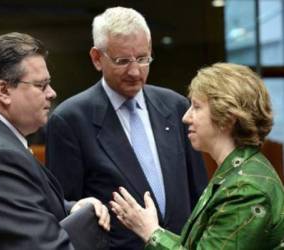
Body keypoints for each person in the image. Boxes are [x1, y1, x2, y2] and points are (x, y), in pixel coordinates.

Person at [46, 6, 207, 250]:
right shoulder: (70, 120)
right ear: (97, 58)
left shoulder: (175, 107)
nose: (135, 71)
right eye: (122, 61)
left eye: (143, 59)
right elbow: (65, 211)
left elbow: (199, 193)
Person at [110, 62, 284, 249]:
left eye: (196, 107)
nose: (186, 117)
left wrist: (151, 232)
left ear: (228, 118)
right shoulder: (236, 173)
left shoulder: (246, 189)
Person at [0, 32, 110, 250]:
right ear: (3, 91)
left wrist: (71, 207)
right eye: (41, 85)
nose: (52, 93)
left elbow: (19, 203)